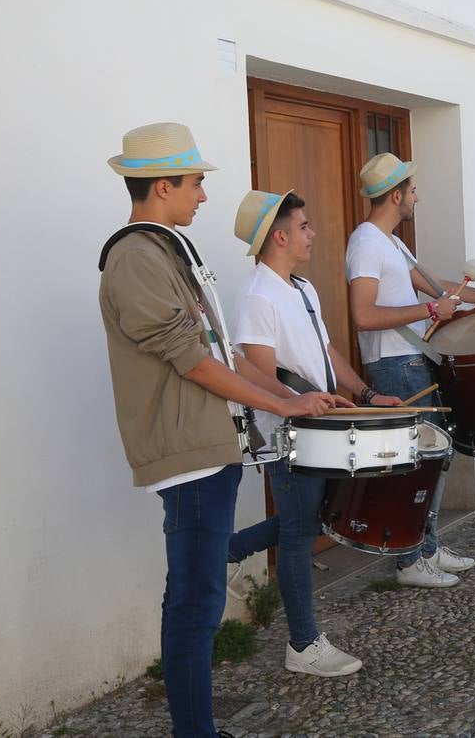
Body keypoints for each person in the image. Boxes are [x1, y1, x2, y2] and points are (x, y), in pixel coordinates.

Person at [98, 123, 335, 737]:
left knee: (196, 599)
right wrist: (280, 407)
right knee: (196, 604)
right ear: (163, 184)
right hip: (190, 458)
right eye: (196, 182)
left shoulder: (164, 248)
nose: (203, 195)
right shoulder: (135, 256)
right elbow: (195, 362)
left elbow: (219, 353)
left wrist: (286, 397)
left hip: (210, 451)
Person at [226, 189, 405, 677]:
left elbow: (327, 355)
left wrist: (366, 396)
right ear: (279, 236)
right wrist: (296, 405)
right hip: (290, 434)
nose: (311, 233)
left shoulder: (302, 288)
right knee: (302, 530)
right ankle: (302, 644)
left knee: (317, 518)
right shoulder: (257, 296)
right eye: (303, 226)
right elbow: (256, 376)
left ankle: (228, 552)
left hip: (322, 425)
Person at [346, 152, 475, 587]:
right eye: (412, 190)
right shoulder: (366, 243)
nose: (417, 196)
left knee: (436, 454)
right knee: (419, 460)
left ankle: (426, 546)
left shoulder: (391, 242)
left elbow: (441, 287)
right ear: (395, 195)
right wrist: (431, 309)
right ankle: (410, 560)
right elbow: (363, 314)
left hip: (413, 359)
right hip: (394, 363)